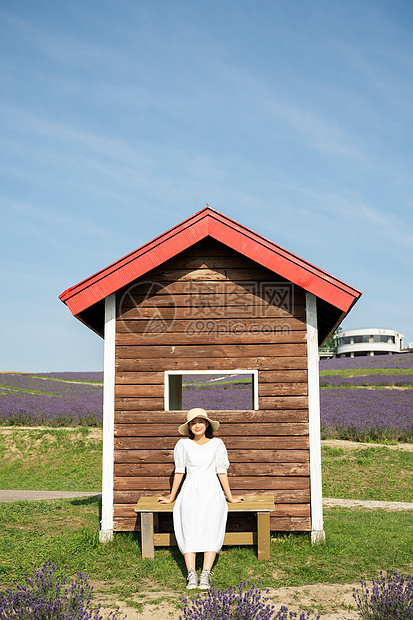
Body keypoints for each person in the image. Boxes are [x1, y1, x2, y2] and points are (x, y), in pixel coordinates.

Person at [157, 407, 244, 590]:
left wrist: (230, 497)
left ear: (207, 425)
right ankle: (191, 574)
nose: (197, 426)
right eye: (193, 423)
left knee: (212, 528)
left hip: (212, 490)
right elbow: (180, 470)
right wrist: (172, 497)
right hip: (190, 490)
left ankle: (205, 573)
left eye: (201, 422)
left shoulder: (217, 444)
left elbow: (221, 471)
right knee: (189, 528)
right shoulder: (183, 444)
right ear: (189, 427)